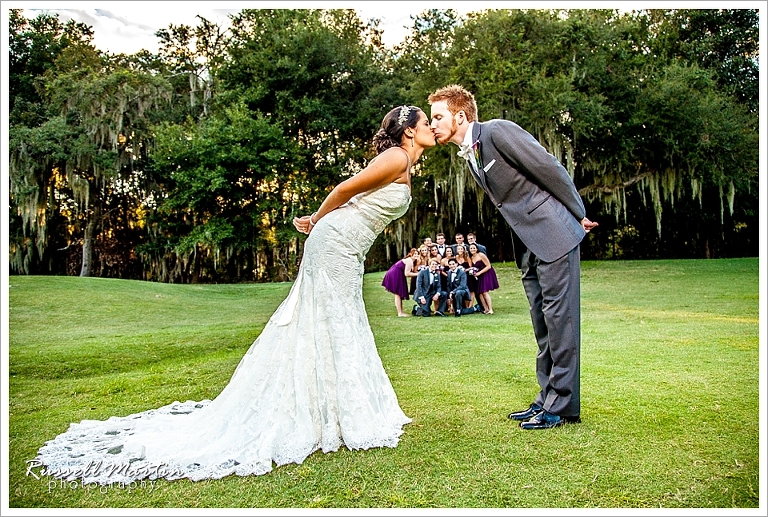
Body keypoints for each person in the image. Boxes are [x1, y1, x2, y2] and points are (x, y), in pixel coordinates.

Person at [34, 104, 436, 483]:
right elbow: (346, 188)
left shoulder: (404, 163)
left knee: (338, 320)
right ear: (408, 132)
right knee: (332, 318)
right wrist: (314, 220)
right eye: (424, 123)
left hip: (349, 246)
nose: (430, 128)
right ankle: (335, 416)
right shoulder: (398, 158)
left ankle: (337, 412)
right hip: (334, 242)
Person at [429, 84, 598, 430]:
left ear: (460, 116)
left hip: (554, 235)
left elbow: (548, 167)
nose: (432, 124)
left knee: (560, 322)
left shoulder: (497, 131)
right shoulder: (471, 153)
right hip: (528, 245)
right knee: (543, 322)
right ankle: (546, 397)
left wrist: (578, 212)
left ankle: (562, 406)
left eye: (437, 116)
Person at [381, 247, 419, 317]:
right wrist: (418, 274)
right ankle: (400, 313)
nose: (416, 255)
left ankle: (401, 311)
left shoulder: (413, 261)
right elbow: (407, 273)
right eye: (414, 254)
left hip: (399, 274)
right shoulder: (409, 261)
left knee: (398, 294)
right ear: (411, 254)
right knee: (397, 293)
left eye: (417, 254)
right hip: (395, 274)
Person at [469, 243, 499, 314]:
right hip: (478, 275)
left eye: (474, 248)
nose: (472, 250)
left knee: (484, 292)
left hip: (486, 273)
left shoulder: (481, 255)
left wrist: (479, 273)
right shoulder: (471, 258)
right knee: (480, 293)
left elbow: (488, 266)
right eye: (471, 248)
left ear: (477, 249)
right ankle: (485, 309)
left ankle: (490, 309)